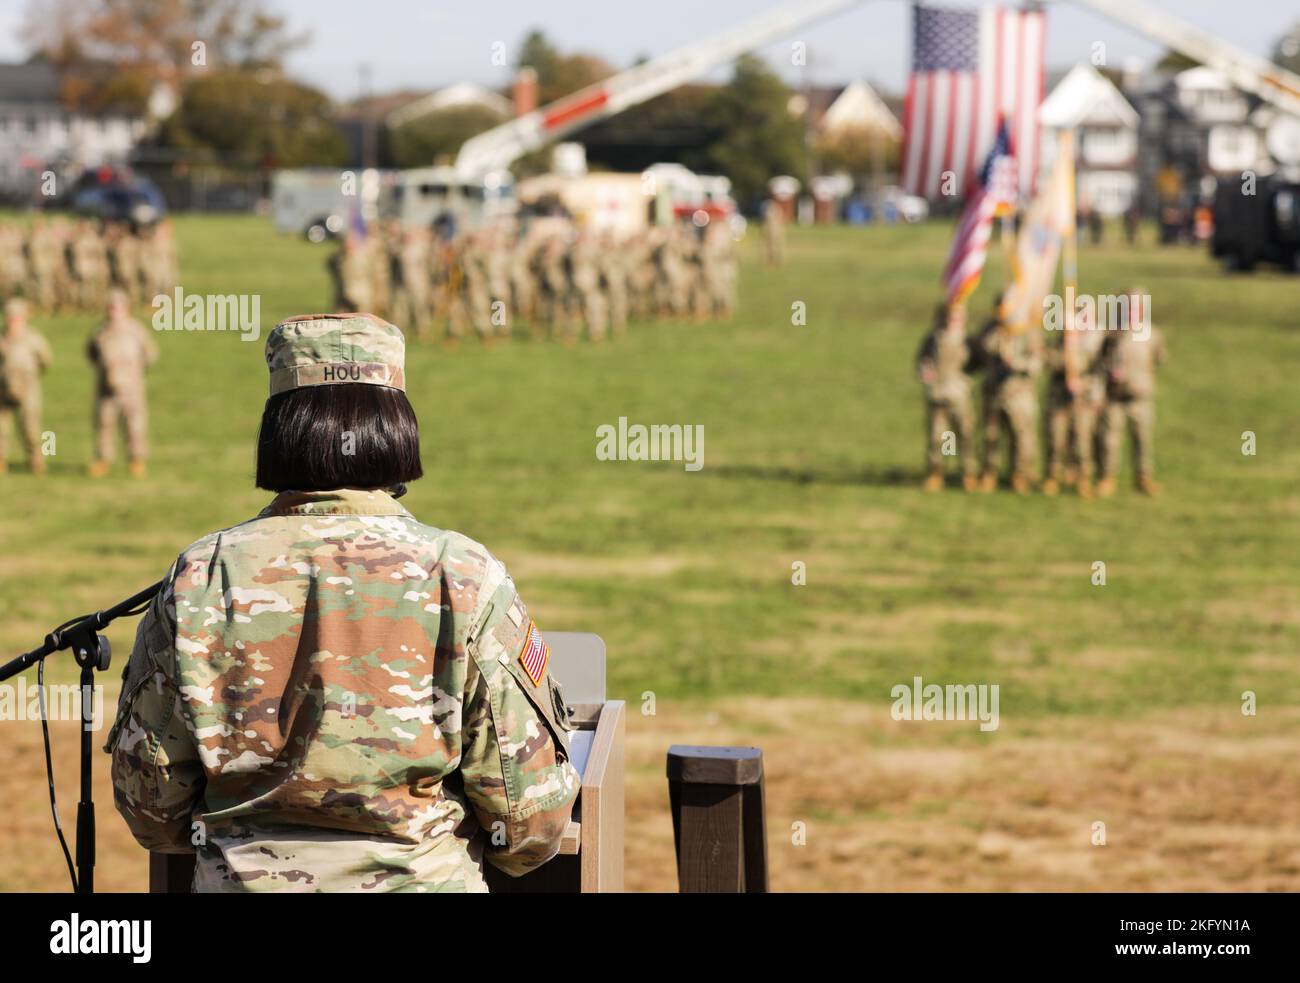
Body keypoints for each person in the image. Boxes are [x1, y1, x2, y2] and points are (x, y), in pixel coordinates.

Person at [106, 312, 580, 892]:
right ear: (396, 423)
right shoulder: (462, 572)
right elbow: (528, 820)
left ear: (280, 427)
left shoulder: (201, 574)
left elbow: (151, 805)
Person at [1097, 288, 1165, 497]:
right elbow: (1100, 361)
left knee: (1142, 439)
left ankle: (1143, 477)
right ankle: (1107, 477)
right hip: (1115, 396)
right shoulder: (1112, 334)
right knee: (1110, 440)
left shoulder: (1152, 334)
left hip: (1140, 396)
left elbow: (1159, 359)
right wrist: (1111, 372)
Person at [86, 289, 158, 477]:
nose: (114, 311)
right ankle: (103, 460)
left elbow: (150, 355)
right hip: (106, 389)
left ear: (126, 309)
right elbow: (91, 354)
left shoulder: (136, 331)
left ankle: (136, 460)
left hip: (132, 389)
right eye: (110, 307)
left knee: (134, 426)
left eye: (118, 307)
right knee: (104, 426)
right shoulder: (100, 332)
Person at [977, 300, 1043, 494]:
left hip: (1020, 395)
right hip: (994, 393)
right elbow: (983, 347)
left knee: (1022, 437)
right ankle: (989, 472)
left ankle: (1020, 474)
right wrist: (1000, 331)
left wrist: (1016, 364)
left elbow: (1037, 363)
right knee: (991, 435)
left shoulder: (1029, 332)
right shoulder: (992, 330)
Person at [915, 301, 978, 491]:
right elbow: (922, 360)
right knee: (937, 437)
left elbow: (977, 363)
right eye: (950, 316)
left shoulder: (967, 340)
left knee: (964, 435)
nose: (953, 320)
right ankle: (936, 472)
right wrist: (925, 371)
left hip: (958, 394)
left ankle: (968, 472)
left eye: (957, 317)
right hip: (937, 394)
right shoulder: (933, 338)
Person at [0, 298, 52, 474]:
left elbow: (45, 361)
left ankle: (38, 459)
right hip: (3, 389)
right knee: (1, 428)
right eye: (10, 316)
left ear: (24, 317)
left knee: (31, 428)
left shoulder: (34, 339)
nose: (13, 320)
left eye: (17, 316)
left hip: (29, 388)